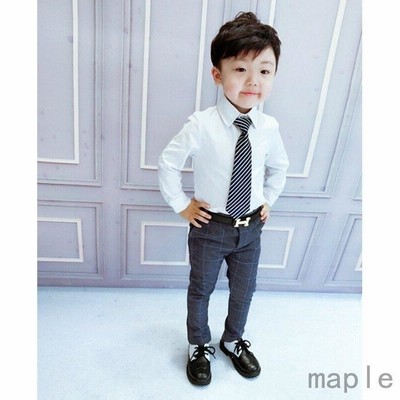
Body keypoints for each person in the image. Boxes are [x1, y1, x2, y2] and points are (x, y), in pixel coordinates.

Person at [158, 12, 289, 386]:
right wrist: (181, 204)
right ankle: (198, 345)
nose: (253, 81)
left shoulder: (268, 127)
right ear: (218, 75)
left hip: (250, 229)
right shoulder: (201, 125)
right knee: (201, 289)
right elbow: (168, 163)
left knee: (244, 290)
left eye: (264, 71)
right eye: (241, 69)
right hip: (210, 228)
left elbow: (279, 167)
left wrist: (268, 199)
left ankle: (232, 340)